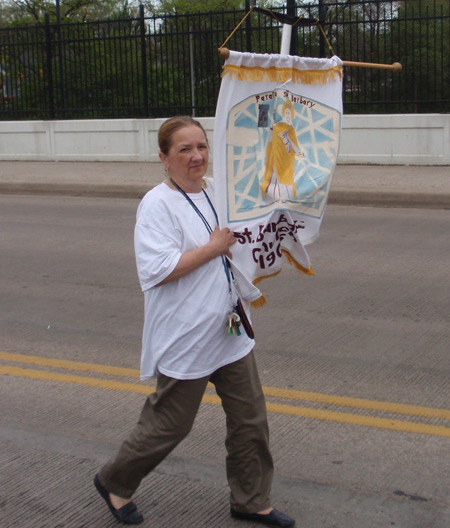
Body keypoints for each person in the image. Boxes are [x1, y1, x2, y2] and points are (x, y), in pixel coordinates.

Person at [93, 116, 295, 528]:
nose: (196, 156)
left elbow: (263, 195)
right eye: (184, 149)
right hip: (187, 334)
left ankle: (251, 499)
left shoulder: (218, 192)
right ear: (164, 158)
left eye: (201, 146)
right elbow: (159, 270)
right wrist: (213, 247)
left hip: (229, 328)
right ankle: (114, 480)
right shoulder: (156, 204)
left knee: (250, 419)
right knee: (169, 424)